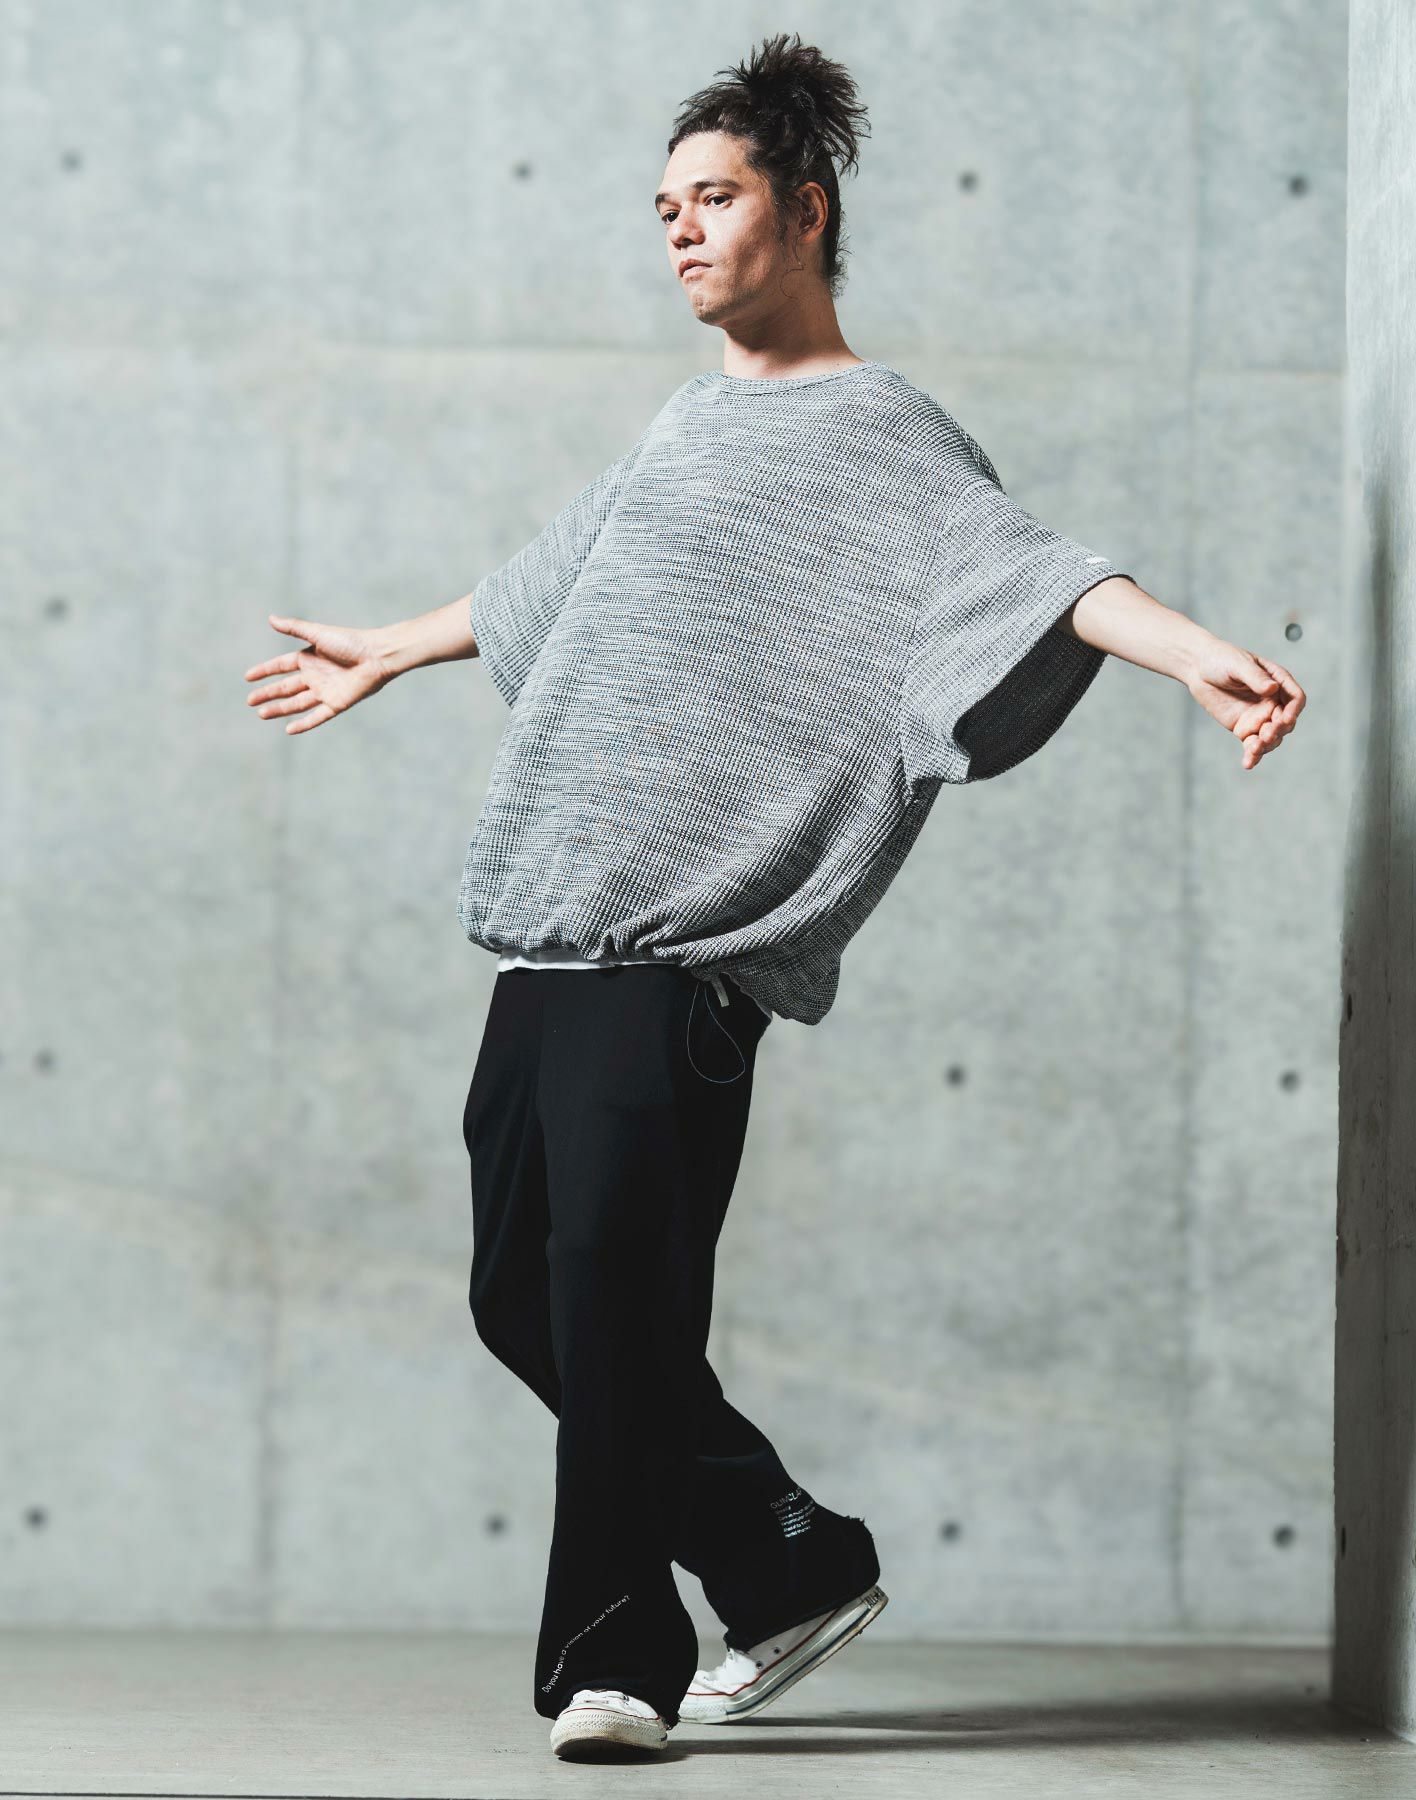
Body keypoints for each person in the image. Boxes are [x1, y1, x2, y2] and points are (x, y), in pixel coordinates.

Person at [243, 30, 1304, 1765]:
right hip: (548, 935)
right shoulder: (687, 423)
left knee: (613, 1304)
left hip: (683, 962)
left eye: (715, 198)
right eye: (664, 205)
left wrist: (1197, 657)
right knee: (523, 1296)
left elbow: (1036, 576)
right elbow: (547, 580)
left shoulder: (885, 434)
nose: (679, 228)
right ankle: (783, 1555)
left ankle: (616, 1661)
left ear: (805, 213)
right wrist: (390, 644)